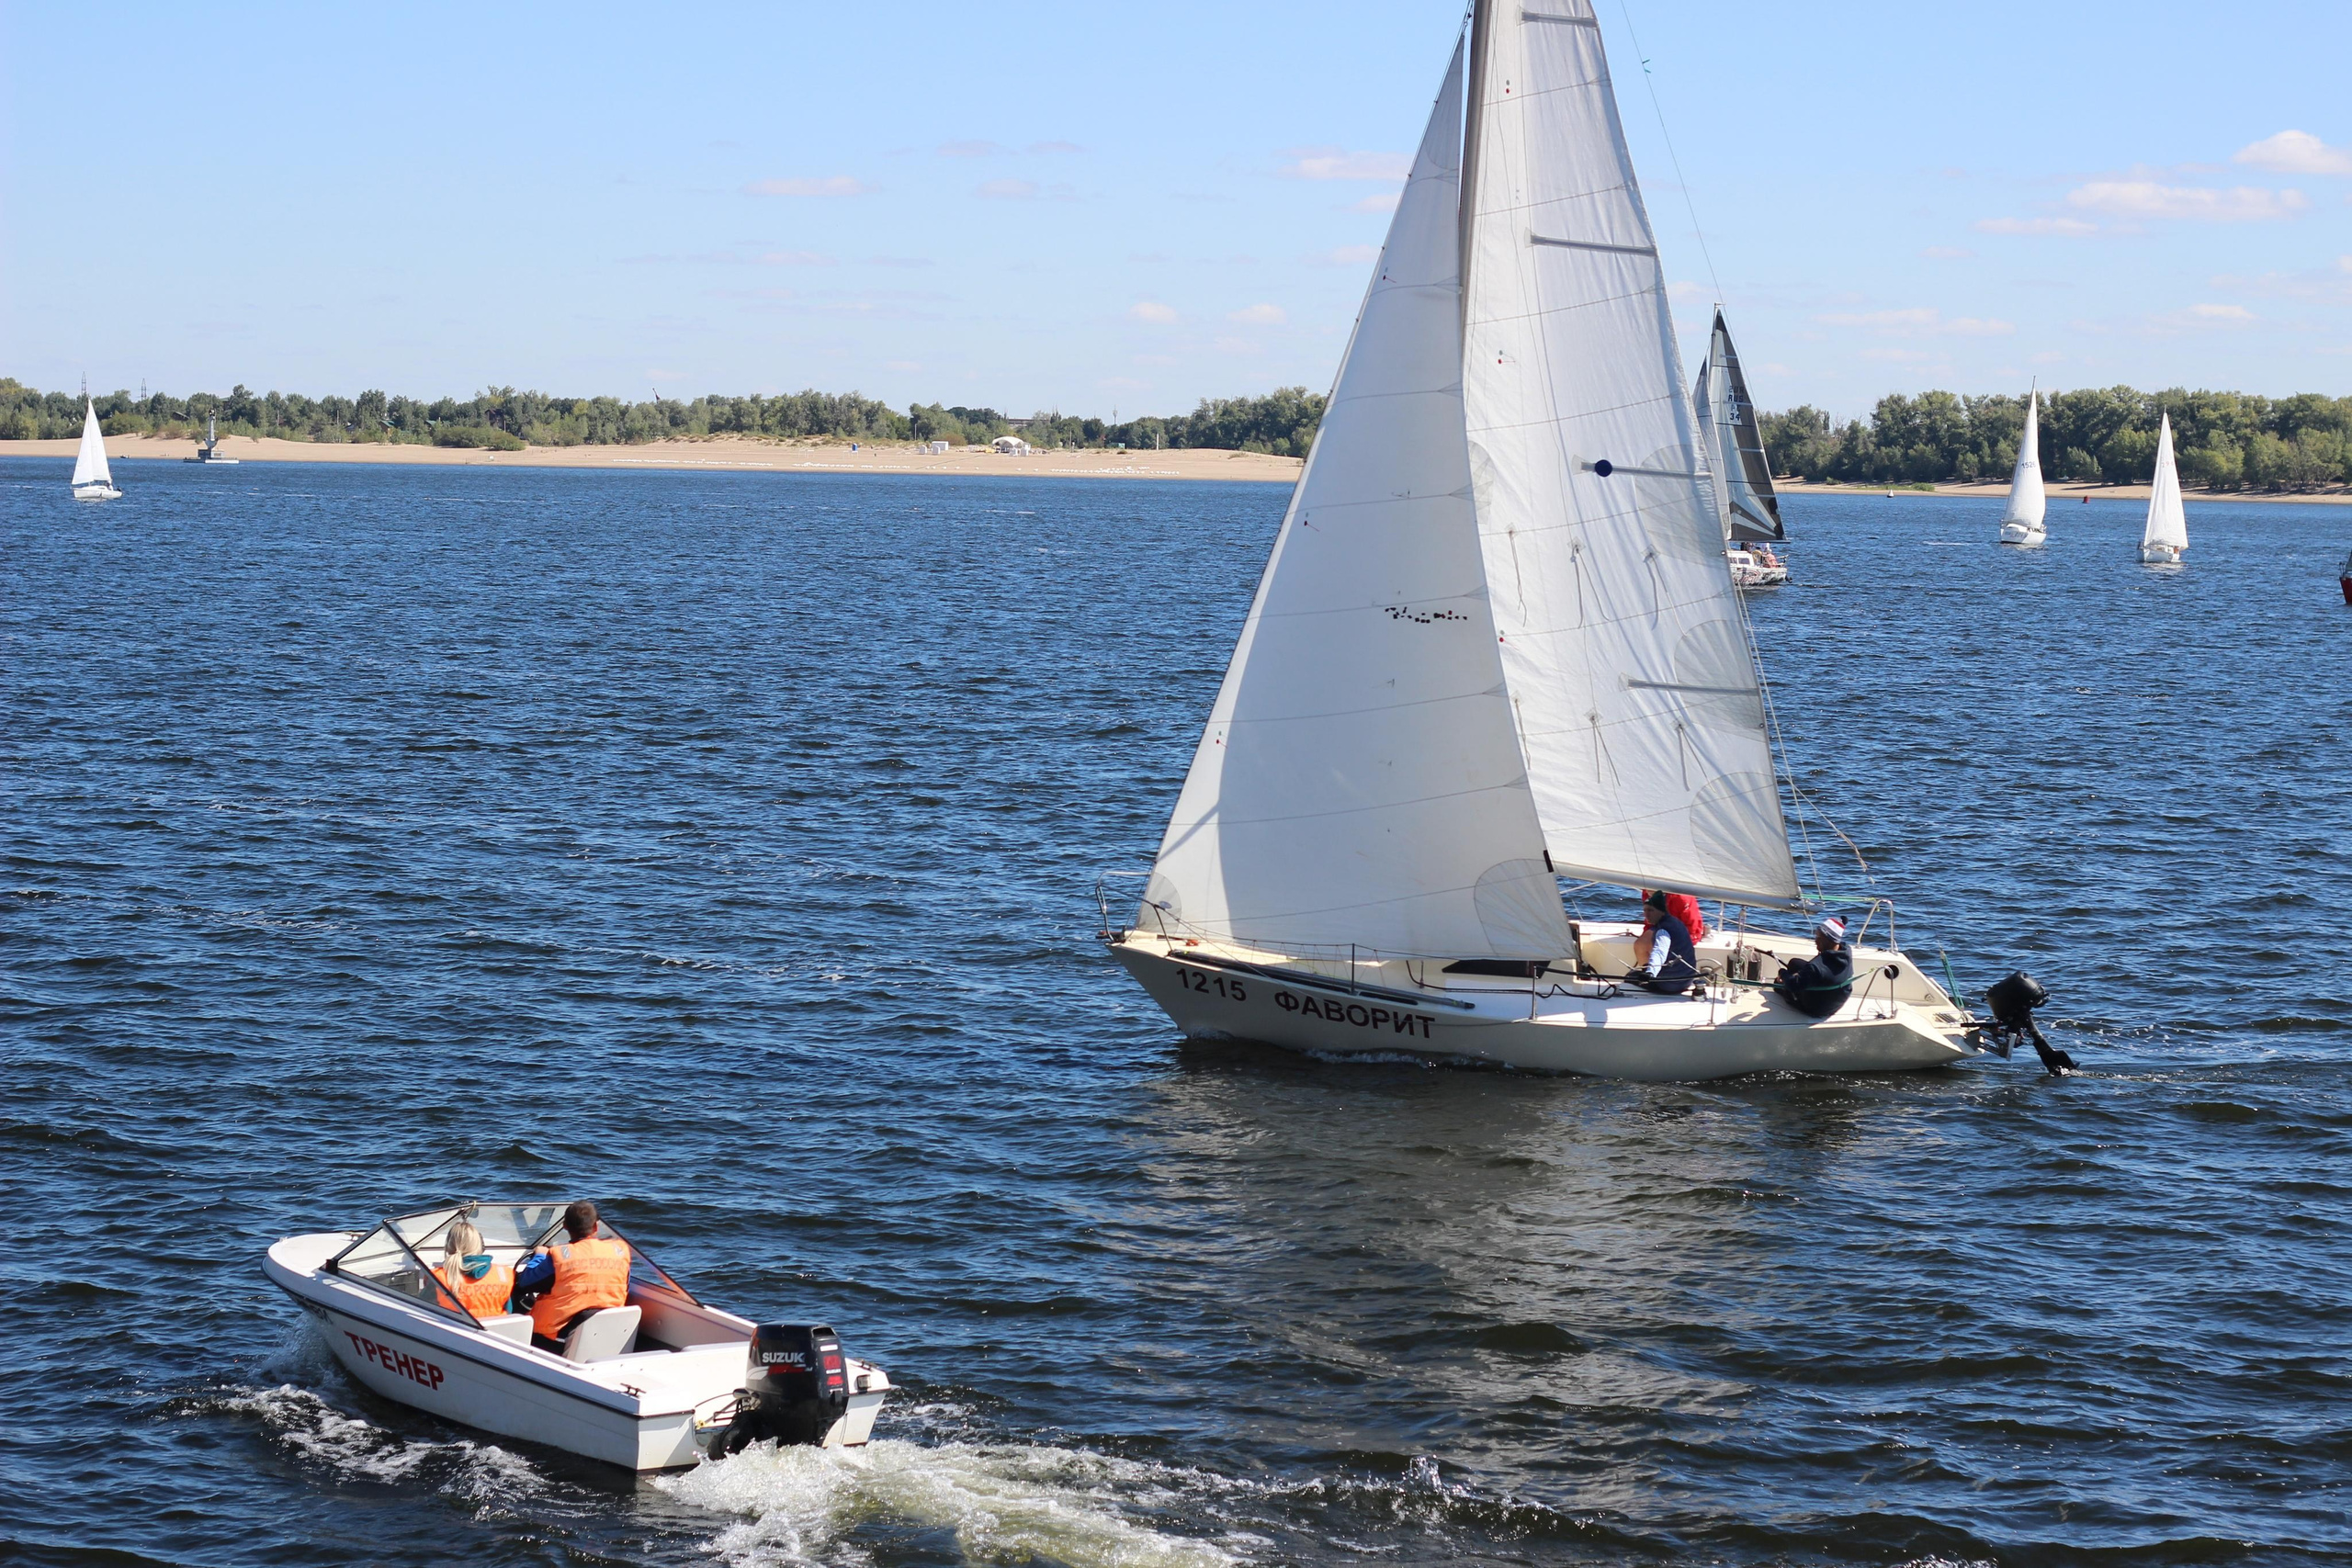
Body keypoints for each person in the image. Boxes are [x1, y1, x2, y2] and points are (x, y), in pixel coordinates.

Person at [512, 1201, 633, 1348]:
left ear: (565, 1226)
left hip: (556, 1338)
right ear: (596, 1226)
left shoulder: (560, 1256)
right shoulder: (619, 1251)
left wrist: (539, 1256)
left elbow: (525, 1282)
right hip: (607, 1331)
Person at [1771, 915, 1856, 1020]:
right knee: (1794, 963)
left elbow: (1793, 985)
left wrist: (1782, 973)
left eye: (1818, 938)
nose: (1815, 941)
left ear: (1828, 940)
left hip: (1817, 1008)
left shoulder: (1816, 967)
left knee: (1778, 985)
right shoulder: (1846, 950)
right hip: (1837, 999)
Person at [433, 1218, 515, 1321]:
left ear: (449, 1246)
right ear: (479, 1245)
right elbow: (509, 1311)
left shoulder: (438, 1277)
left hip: (453, 1334)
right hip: (496, 1334)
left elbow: (421, 1308)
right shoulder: (503, 1275)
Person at [1629, 889, 1699, 996]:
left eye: (1650, 911)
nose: (1646, 915)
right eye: (1645, 911)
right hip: (1687, 980)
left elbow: (1659, 952)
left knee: (1630, 977)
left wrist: (1650, 973)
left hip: (1670, 985)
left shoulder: (1663, 930)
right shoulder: (1675, 922)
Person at [1638, 888, 1706, 944]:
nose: (1647, 890)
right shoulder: (1647, 893)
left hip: (1684, 933)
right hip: (1661, 929)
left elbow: (1691, 926)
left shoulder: (1681, 898)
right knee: (1641, 944)